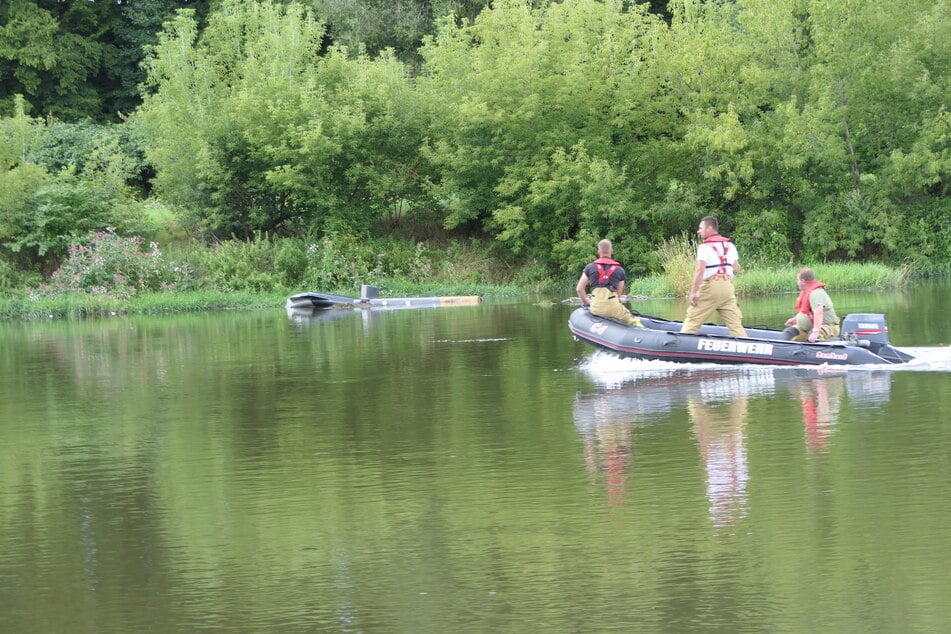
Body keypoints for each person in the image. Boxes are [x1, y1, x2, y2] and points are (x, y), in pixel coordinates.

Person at [680, 216, 747, 337]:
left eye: (701, 228)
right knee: (736, 325)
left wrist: (693, 293)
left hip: (710, 288)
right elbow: (736, 267)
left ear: (710, 229)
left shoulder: (704, 247)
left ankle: (678, 347)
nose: (698, 231)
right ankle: (746, 349)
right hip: (727, 288)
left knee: (693, 320)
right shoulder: (730, 245)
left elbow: (699, 270)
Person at [576, 239, 643, 327]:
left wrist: (586, 302)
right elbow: (618, 295)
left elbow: (579, 289)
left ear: (598, 251)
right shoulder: (620, 270)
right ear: (611, 251)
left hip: (596, 308)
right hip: (613, 309)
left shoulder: (589, 267)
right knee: (635, 322)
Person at [782, 268, 840, 342]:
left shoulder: (816, 292)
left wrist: (815, 331)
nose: (797, 282)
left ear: (803, 281)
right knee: (789, 333)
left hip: (828, 326)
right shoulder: (807, 292)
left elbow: (818, 311)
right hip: (807, 328)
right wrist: (795, 319)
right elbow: (806, 311)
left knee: (813, 336)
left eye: (797, 280)